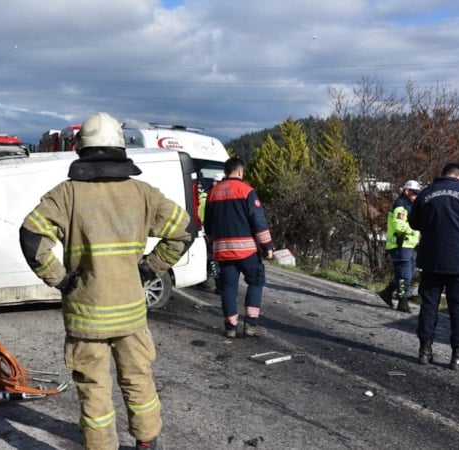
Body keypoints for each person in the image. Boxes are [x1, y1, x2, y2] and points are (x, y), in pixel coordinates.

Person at [19, 112, 192, 450]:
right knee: (138, 378)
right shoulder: (143, 193)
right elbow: (184, 230)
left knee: (93, 386)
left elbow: (30, 236)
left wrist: (61, 279)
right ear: (119, 147)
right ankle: (146, 443)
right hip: (130, 314)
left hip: (86, 315)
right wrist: (149, 268)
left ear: (80, 149)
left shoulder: (66, 195)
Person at [409, 163, 459, 370]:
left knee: (429, 305)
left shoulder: (426, 194)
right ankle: (458, 356)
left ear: (443, 175)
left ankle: (425, 351)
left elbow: (414, 223)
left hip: (431, 258)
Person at [204, 157, 274, 338]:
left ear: (226, 171)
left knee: (228, 288)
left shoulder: (213, 193)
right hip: (246, 251)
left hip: (223, 251)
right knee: (256, 281)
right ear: (240, 171)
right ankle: (250, 324)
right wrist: (268, 247)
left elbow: (208, 225)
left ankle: (230, 327)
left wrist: (213, 245)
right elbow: (258, 221)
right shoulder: (247, 191)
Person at [377, 180, 422, 313]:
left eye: (417, 193)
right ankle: (403, 301)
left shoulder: (409, 205)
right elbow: (398, 225)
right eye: (414, 193)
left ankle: (387, 292)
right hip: (400, 244)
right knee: (405, 276)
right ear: (406, 191)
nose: (416, 196)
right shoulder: (401, 205)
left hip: (408, 245)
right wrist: (414, 230)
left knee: (408, 273)